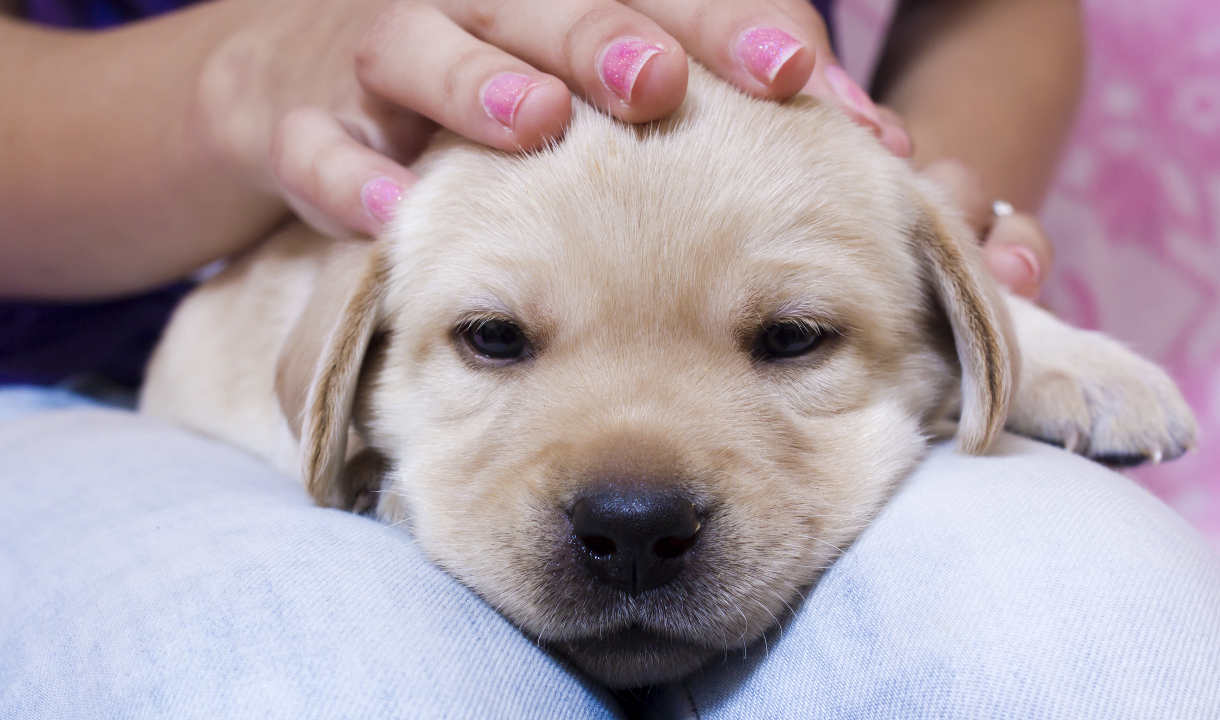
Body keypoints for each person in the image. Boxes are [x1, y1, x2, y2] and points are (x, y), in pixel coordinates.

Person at [2, 1, 1217, 718]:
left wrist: (902, 204)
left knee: (1093, 632)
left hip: (805, 178)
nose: (631, 501)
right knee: (335, 679)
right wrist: (242, 79)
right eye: (496, 337)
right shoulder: (330, 325)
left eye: (786, 334)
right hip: (79, 366)